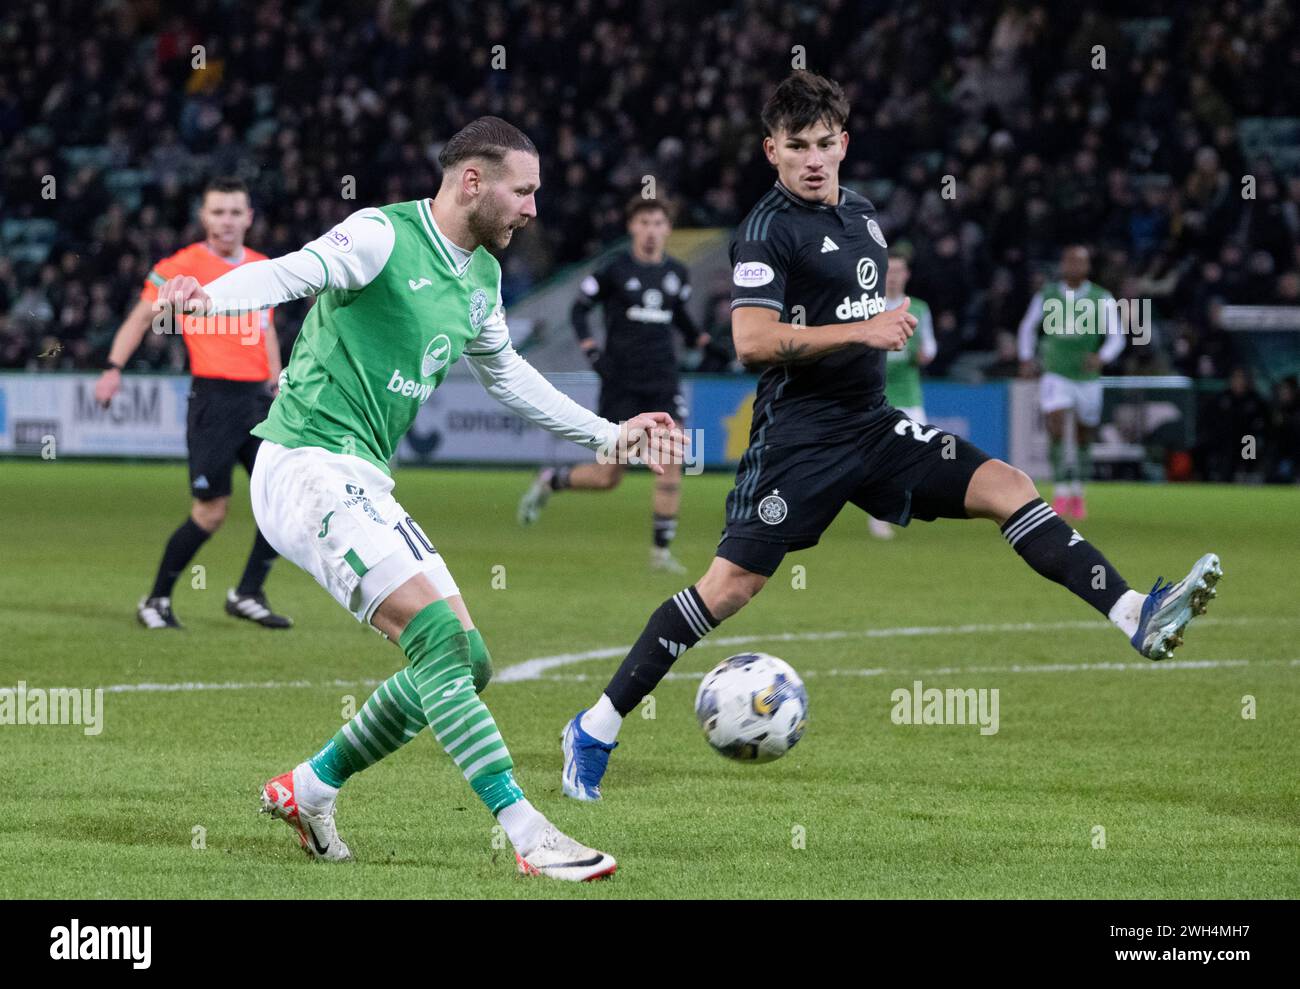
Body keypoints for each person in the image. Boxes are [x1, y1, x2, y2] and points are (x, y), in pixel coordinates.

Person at [556, 71, 1221, 803]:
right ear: (771, 150)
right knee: (729, 587)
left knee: (1009, 486)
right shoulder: (766, 230)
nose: (813, 158)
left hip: (873, 426)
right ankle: (595, 726)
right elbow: (749, 340)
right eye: (797, 146)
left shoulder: (864, 217)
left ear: (844, 142)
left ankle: (1134, 612)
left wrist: (871, 334)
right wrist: (862, 330)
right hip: (798, 442)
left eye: (824, 144)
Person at [155, 117, 680, 881]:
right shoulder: (380, 235)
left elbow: (509, 378)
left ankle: (309, 788)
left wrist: (608, 434)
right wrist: (206, 298)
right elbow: (289, 274)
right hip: (302, 464)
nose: (533, 208)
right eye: (523, 190)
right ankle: (529, 832)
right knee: (436, 640)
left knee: (467, 658)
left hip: (361, 476)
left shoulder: (482, 279)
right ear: (474, 181)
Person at [94, 176, 291, 630]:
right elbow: (140, 319)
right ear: (204, 217)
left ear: (249, 218)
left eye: (234, 212)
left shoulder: (264, 266)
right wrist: (112, 368)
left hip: (259, 400)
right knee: (211, 511)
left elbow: (266, 330)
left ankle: (247, 592)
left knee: (284, 501)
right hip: (214, 400)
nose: (226, 221)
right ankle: (156, 601)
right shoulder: (179, 267)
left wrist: (276, 379)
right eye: (217, 212)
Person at [517, 196, 708, 574]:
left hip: (663, 381)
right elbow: (578, 309)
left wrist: (708, 344)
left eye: (658, 223)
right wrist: (591, 351)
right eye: (644, 223)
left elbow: (682, 320)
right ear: (632, 227)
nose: (652, 230)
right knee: (608, 477)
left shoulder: (677, 274)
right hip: (621, 382)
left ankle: (660, 553)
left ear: (667, 229)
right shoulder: (614, 269)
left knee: (671, 461)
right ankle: (550, 480)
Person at [1017, 245, 1125, 519]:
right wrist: (1027, 358)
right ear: (1062, 264)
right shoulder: (1047, 294)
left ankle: (1078, 489)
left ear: (1088, 267)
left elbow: (1117, 336)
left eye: (1080, 261)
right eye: (1070, 261)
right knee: (1054, 423)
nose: (1074, 266)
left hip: (1087, 377)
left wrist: (1102, 356)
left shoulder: (1102, 298)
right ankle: (1061, 490)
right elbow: (1028, 327)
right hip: (1056, 373)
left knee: (1083, 433)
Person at [869, 250, 937, 539]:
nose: (894, 277)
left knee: (919, 452)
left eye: (898, 271)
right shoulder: (870, 307)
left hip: (909, 393)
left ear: (906, 275)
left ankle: (907, 504)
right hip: (875, 393)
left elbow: (931, 347)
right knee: (875, 456)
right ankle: (878, 513)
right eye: (889, 271)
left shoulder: (919, 308)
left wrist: (925, 355)